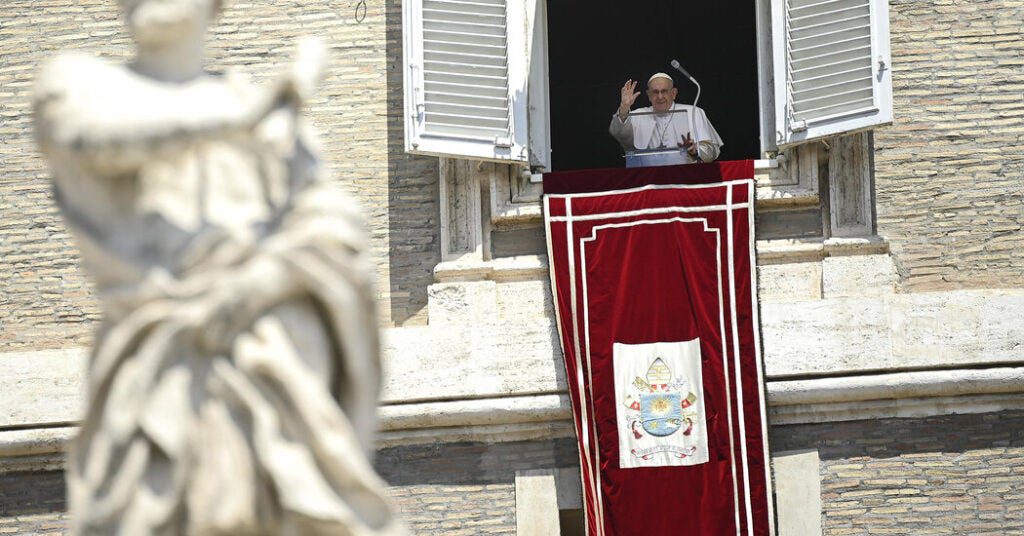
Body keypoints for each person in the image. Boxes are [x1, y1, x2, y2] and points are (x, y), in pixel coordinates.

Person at [34, 0, 405, 534]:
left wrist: (264, 282)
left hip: (275, 370)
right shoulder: (81, 83)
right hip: (154, 366)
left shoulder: (259, 109)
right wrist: (243, 119)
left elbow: (334, 224)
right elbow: (91, 140)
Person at [609, 73, 723, 164]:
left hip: (685, 178)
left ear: (673, 93)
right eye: (655, 92)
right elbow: (618, 133)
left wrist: (695, 150)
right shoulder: (637, 115)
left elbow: (712, 151)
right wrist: (624, 107)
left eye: (664, 91)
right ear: (648, 95)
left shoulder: (693, 112)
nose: (660, 97)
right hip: (647, 181)